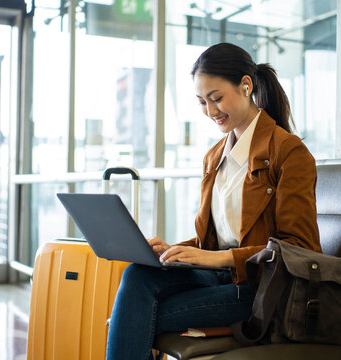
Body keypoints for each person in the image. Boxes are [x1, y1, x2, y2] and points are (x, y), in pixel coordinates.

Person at [106, 43, 322, 360]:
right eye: (201, 102)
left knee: (133, 315)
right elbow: (214, 238)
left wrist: (215, 259)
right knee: (137, 275)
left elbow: (299, 249)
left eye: (217, 98)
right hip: (220, 277)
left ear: (246, 86)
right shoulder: (214, 156)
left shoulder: (288, 152)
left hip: (263, 287)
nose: (210, 111)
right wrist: (174, 250)